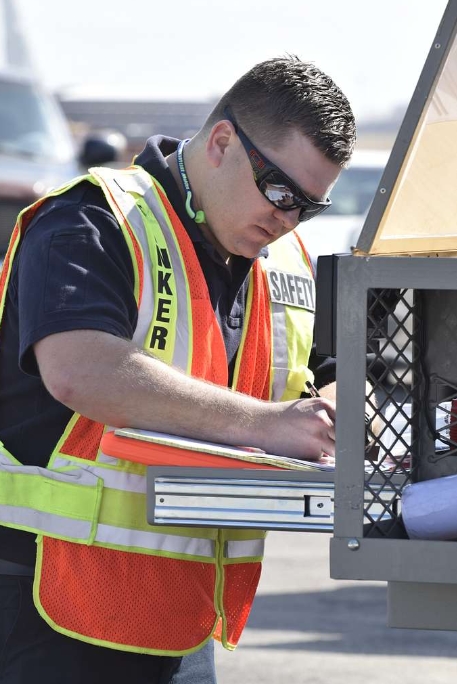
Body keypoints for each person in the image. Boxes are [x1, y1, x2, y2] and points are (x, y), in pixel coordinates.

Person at [0, 55, 355, 683]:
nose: (288, 219)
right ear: (222, 142)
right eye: (279, 192)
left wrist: (332, 408)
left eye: (309, 206)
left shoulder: (283, 259)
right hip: (48, 606)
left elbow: (326, 371)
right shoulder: (93, 218)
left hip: (180, 619)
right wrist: (268, 424)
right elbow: (80, 369)